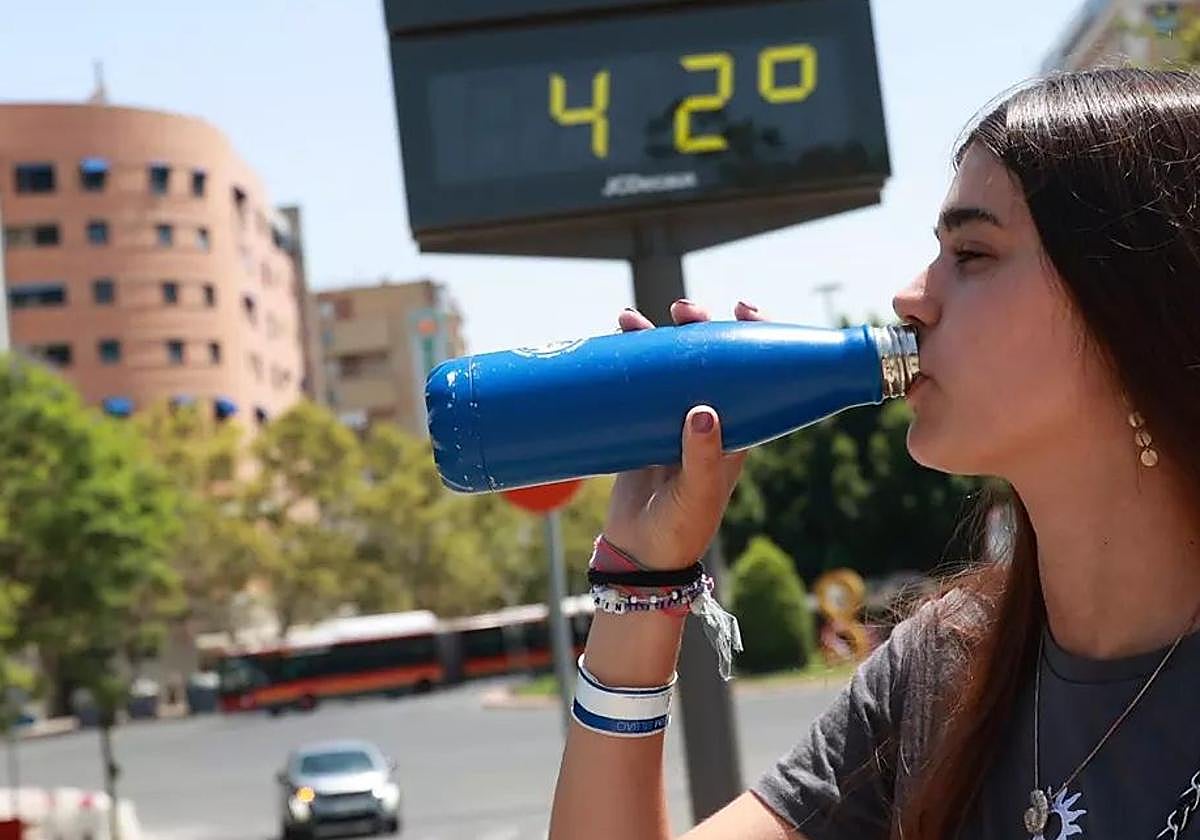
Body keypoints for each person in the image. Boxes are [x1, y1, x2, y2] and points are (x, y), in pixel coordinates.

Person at [548, 67, 1200, 840]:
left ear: (1132, 306)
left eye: (974, 253)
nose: (909, 297)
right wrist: (641, 575)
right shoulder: (940, 670)